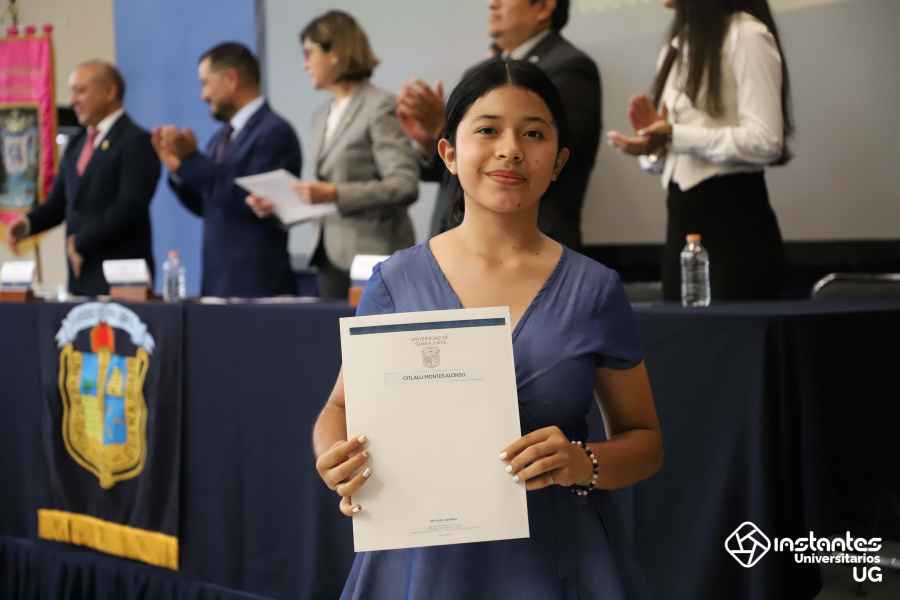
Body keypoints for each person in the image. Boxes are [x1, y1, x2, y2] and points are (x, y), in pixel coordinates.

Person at [313, 59, 663, 599]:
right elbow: (339, 408)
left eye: (533, 134)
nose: (510, 149)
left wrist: (582, 461)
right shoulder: (397, 281)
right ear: (449, 153)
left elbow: (645, 442)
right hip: (419, 568)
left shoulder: (594, 289)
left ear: (558, 161)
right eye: (487, 130)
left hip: (556, 564)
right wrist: (335, 459)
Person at [608, 0, 792, 301]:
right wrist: (653, 148)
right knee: (679, 327)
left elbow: (766, 141)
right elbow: (676, 146)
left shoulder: (746, 34)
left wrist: (675, 135)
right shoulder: (677, 44)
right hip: (681, 223)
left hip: (735, 227)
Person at [397, 0, 600, 250]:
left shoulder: (569, 66)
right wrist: (431, 139)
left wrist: (442, 124)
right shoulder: (480, 72)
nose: (493, 4)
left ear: (544, 7)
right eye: (487, 130)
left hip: (532, 249)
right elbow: (454, 172)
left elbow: (562, 164)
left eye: (531, 133)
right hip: (455, 246)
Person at [250, 11, 418, 299]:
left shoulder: (380, 106)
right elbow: (323, 195)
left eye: (309, 53)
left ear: (335, 53)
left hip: (374, 259)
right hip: (328, 258)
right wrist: (279, 205)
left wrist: (334, 193)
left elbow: (404, 185)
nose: (304, 65)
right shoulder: (321, 116)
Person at [152, 42, 302, 298]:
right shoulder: (220, 138)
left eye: (205, 83)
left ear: (231, 79)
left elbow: (245, 199)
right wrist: (177, 167)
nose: (203, 95)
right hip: (217, 284)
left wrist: (191, 160)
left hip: (257, 287)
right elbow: (208, 204)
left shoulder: (274, 132)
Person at [7, 60, 159, 296]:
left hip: (122, 281)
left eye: (81, 91)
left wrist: (80, 242)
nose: (72, 101)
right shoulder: (76, 144)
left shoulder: (136, 141)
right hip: (80, 279)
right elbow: (58, 204)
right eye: (72, 91)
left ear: (109, 92)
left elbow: (129, 207)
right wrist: (26, 224)